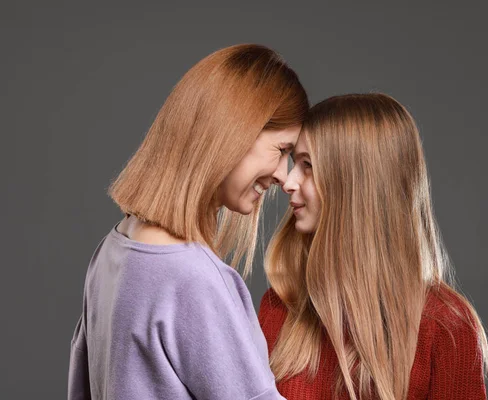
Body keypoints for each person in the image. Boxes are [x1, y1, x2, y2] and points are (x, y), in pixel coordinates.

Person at [68, 44, 308, 400]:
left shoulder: (110, 252)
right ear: (232, 131)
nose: (282, 175)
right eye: (282, 150)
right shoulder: (192, 279)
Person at [259, 94, 488, 400]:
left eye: (307, 165)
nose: (288, 181)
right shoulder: (280, 306)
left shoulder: (446, 326)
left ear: (354, 185)